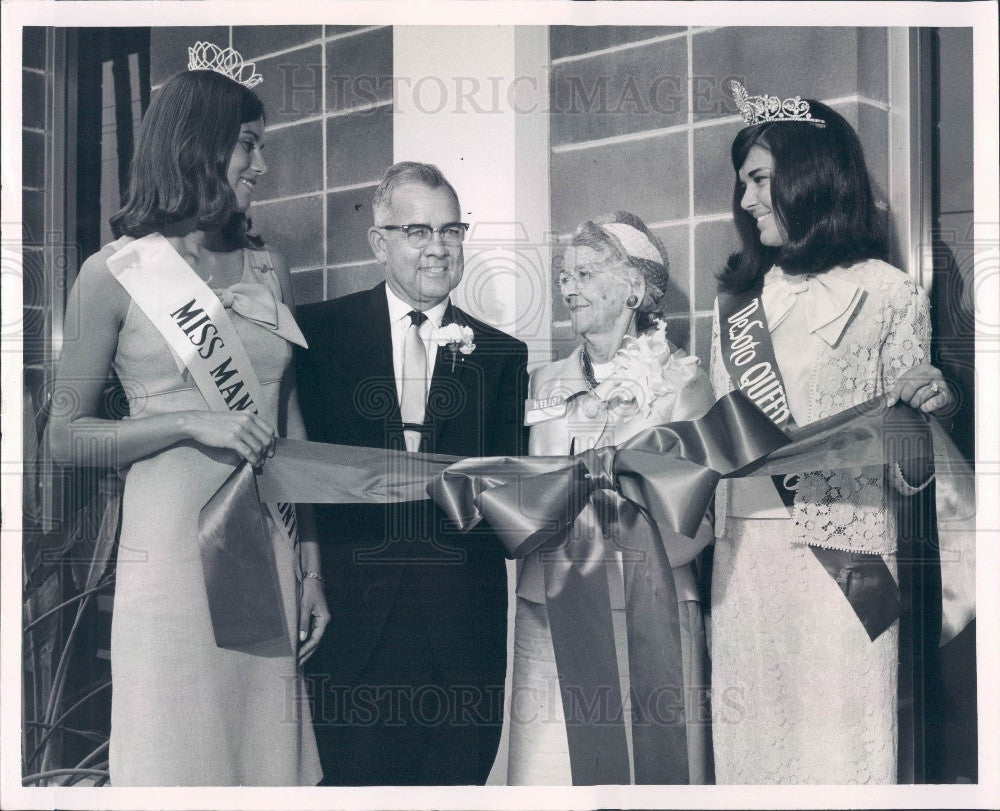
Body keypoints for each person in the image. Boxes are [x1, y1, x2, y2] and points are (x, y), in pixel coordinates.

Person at [48, 55, 326, 786]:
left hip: (266, 540)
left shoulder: (269, 266)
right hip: (168, 551)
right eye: (247, 145)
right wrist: (187, 423)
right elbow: (65, 436)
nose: (261, 165)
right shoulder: (112, 274)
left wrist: (313, 560)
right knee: (180, 744)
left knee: (261, 749)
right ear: (198, 146)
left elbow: (287, 416)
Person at [708, 82, 954, 784]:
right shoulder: (734, 307)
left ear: (811, 173)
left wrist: (926, 415)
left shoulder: (889, 294)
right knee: (751, 758)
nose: (748, 200)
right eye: (744, 184)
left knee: (839, 761)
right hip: (744, 576)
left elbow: (914, 475)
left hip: (844, 573)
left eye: (760, 179)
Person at [294, 162, 529, 785]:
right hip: (352, 626)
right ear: (378, 242)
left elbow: (504, 501)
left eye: (450, 230)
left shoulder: (503, 355)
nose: (438, 248)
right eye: (417, 231)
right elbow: (298, 473)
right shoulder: (318, 335)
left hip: (463, 635)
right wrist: (309, 576)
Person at [508, 212, 716, 785]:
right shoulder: (544, 382)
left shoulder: (684, 381)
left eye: (586, 272)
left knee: (652, 770)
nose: (568, 287)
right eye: (564, 274)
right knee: (547, 776)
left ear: (634, 288)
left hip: (649, 605)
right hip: (549, 608)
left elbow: (696, 511)